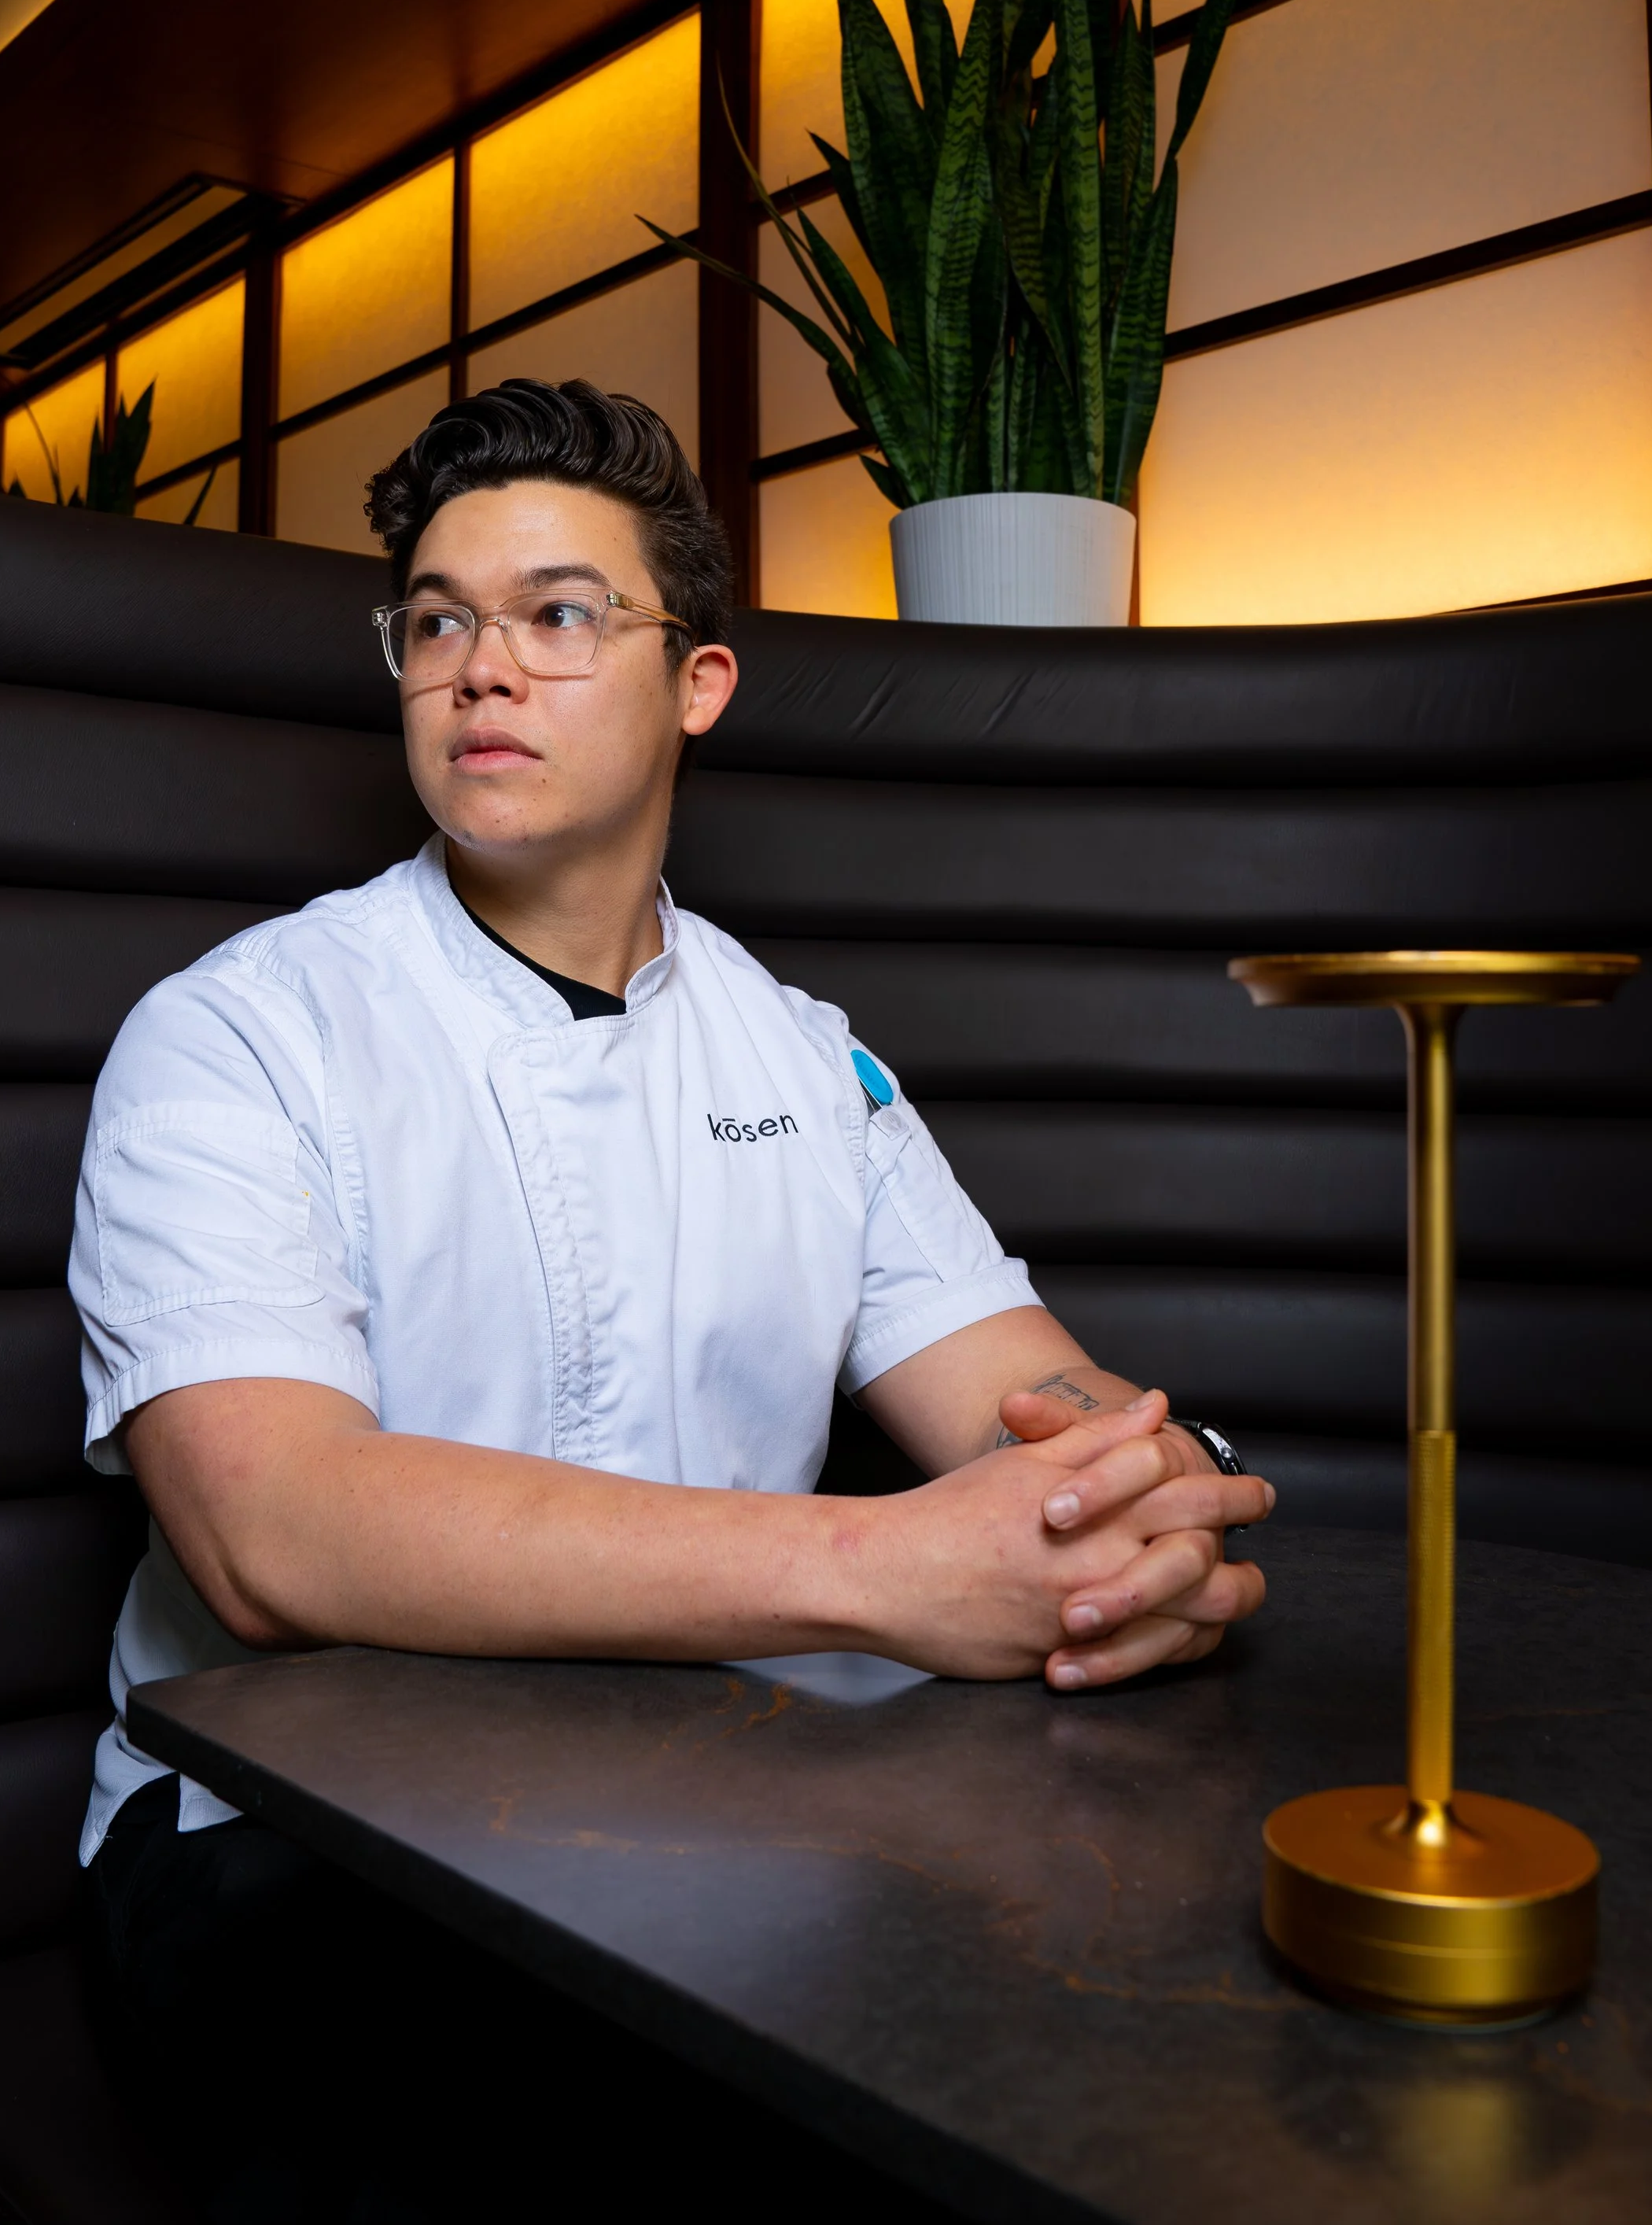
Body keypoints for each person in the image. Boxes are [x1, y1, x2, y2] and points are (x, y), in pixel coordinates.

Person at [75, 378, 1273, 2220]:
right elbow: (272, 1530)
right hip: (294, 1845)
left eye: (557, 613)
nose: (482, 666)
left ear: (697, 680)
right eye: (436, 622)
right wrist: (880, 1565)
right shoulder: (235, 1033)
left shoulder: (803, 1056)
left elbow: (1031, 1400)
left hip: (732, 1808)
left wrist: (1148, 1495)